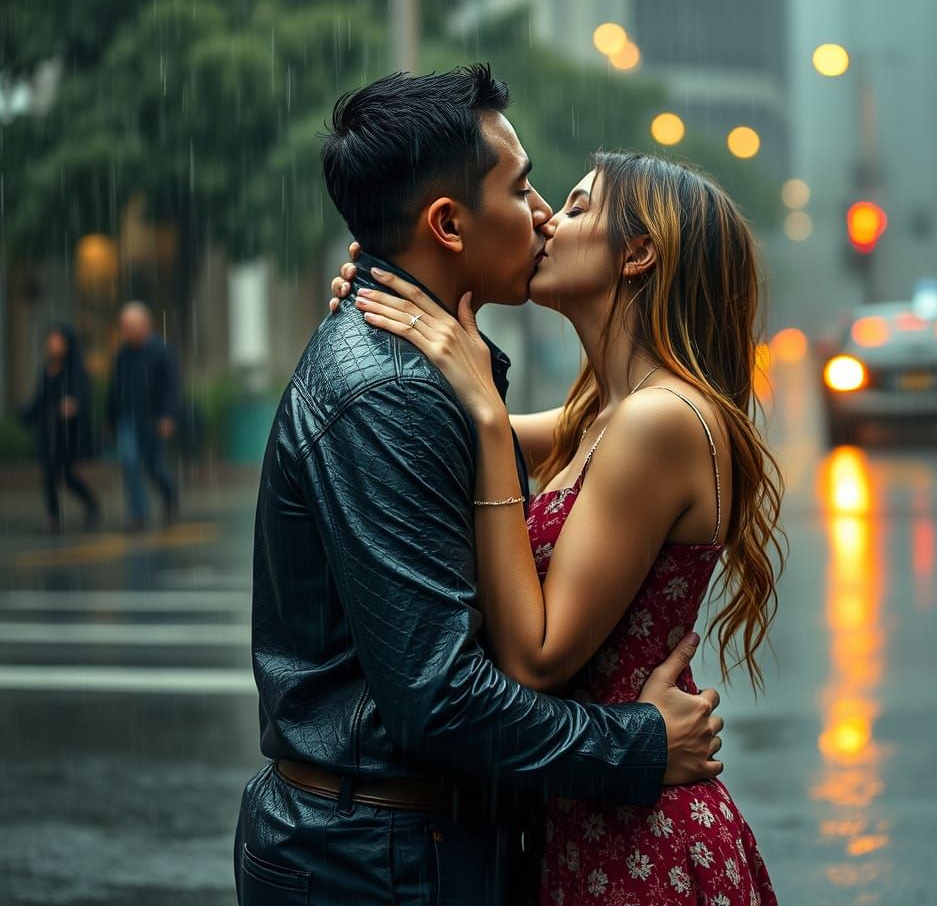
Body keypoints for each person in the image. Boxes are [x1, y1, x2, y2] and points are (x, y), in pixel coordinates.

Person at [234, 66, 727, 906]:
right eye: (529, 188)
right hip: (379, 858)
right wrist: (636, 746)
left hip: (432, 839)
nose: (541, 214)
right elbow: (444, 701)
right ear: (448, 224)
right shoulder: (393, 391)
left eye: (567, 202)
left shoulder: (434, 379)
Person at [336, 150, 784, 904]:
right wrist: (399, 285)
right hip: (590, 815)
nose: (546, 217)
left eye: (577, 207)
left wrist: (482, 410)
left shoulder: (658, 420)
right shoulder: (599, 416)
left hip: (642, 843)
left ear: (637, 252)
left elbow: (536, 660)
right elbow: (438, 435)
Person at [19, 323, 99, 534]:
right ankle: (54, 518)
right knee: (49, 474)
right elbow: (41, 399)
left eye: (57, 340)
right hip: (49, 430)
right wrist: (27, 414)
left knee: (68, 476)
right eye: (50, 340)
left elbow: (83, 394)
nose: (52, 345)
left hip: (68, 432)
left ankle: (91, 504)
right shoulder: (47, 369)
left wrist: (74, 403)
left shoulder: (76, 369)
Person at [106, 301, 180, 531]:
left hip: (154, 418)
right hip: (129, 418)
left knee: (155, 466)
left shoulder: (161, 351)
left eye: (131, 325)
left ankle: (170, 495)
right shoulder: (122, 356)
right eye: (124, 326)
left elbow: (172, 386)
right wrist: (110, 419)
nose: (127, 331)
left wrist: (168, 415)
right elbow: (115, 389)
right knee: (129, 460)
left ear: (145, 325)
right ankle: (138, 513)